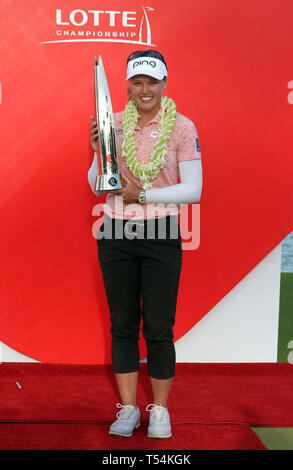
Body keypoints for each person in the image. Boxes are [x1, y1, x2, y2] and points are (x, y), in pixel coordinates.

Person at [88, 49, 203, 439]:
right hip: (116, 232)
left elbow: (194, 189)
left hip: (160, 233)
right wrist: (99, 152)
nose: (144, 89)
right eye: (137, 82)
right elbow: (95, 184)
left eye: (151, 81)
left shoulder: (182, 127)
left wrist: (145, 195)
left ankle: (159, 411)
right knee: (122, 325)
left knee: (158, 328)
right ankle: (128, 409)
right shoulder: (113, 124)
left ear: (164, 83)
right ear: (128, 86)